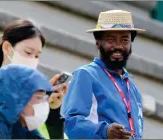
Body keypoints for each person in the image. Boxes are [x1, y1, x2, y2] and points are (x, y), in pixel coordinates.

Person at [61, 10, 145, 139]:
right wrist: (105, 131)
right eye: (111, 39)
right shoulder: (86, 75)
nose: (118, 46)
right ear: (98, 42)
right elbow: (69, 125)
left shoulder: (133, 90)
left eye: (124, 40)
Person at [0, 64, 54, 139]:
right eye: (39, 98)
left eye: (45, 98)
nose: (43, 104)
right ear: (18, 100)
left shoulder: (31, 136)